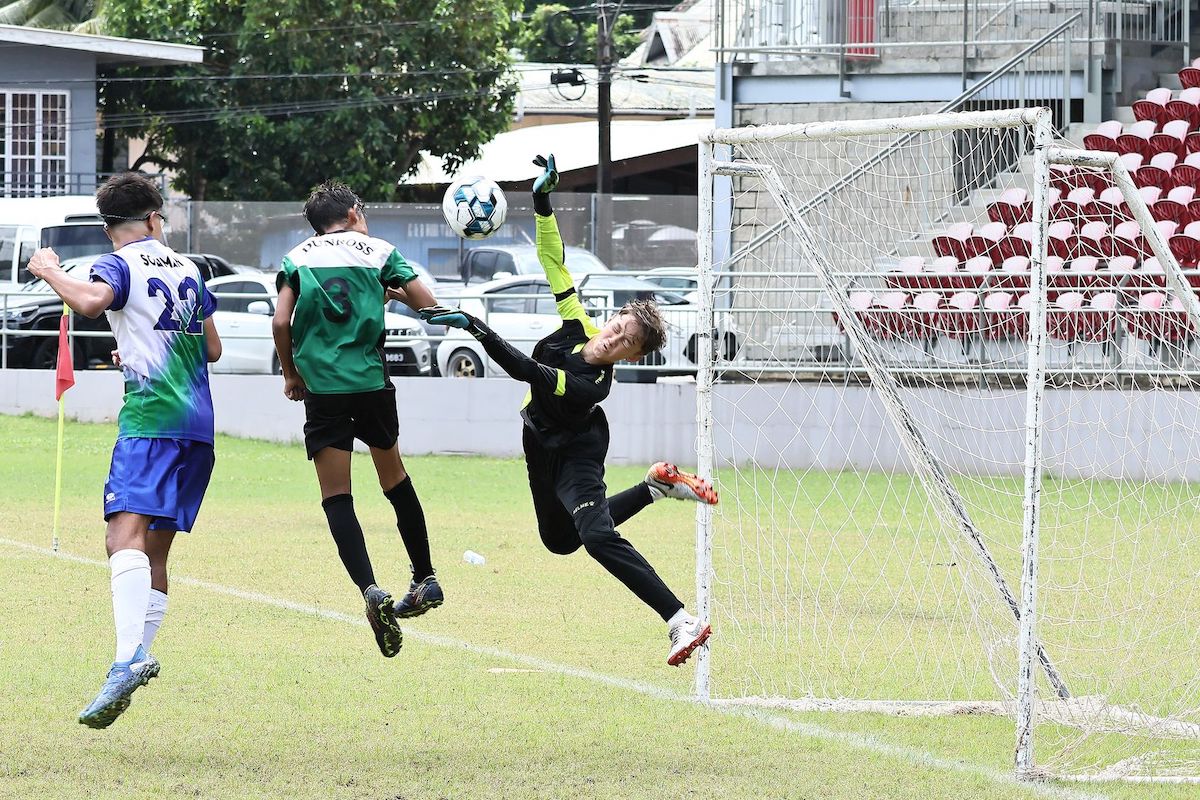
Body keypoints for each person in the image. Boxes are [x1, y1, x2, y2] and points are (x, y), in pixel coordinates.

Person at [421, 155, 717, 666]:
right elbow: (555, 262)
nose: (613, 339)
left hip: (578, 449)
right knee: (560, 541)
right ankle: (655, 487)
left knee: (597, 535)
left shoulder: (591, 386)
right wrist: (541, 201)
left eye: (626, 342)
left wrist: (475, 326)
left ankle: (679, 619)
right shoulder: (578, 323)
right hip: (538, 442)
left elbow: (529, 374)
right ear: (611, 319)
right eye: (617, 326)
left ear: (632, 357)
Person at [27, 172, 223, 728]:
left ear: (110, 226)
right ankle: (133, 657)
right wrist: (138, 348)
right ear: (156, 218)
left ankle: (125, 660)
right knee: (154, 552)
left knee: (121, 538)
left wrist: (50, 272)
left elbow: (91, 302)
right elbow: (211, 346)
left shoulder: (120, 263)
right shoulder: (190, 268)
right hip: (199, 428)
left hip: (151, 422)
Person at [272, 180, 443, 659]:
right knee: (394, 478)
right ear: (350, 213)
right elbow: (427, 304)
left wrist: (291, 375)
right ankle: (425, 576)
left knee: (337, 495)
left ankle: (371, 590)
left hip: (323, 390)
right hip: (371, 384)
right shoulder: (379, 251)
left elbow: (281, 322)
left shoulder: (297, 258)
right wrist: (397, 297)